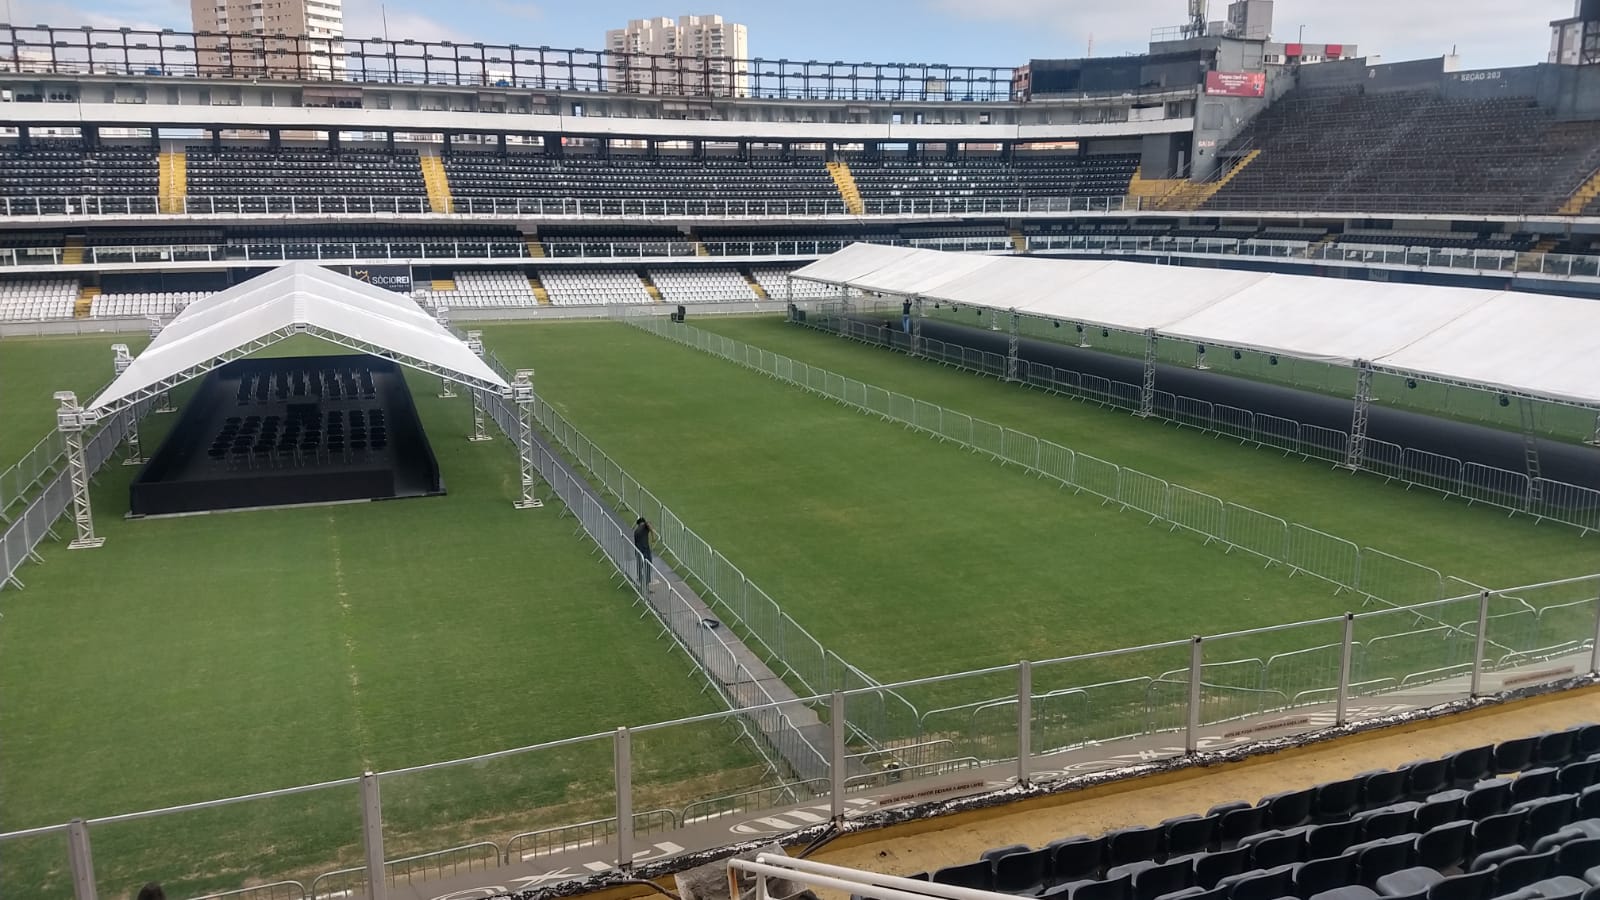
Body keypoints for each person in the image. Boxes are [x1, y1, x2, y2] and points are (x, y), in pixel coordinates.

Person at [632, 517, 657, 591]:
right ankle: (646, 586)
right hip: (645, 550)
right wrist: (653, 535)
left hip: (638, 551)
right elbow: (649, 524)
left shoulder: (636, 531)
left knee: (640, 567)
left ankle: (640, 584)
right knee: (648, 566)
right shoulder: (644, 526)